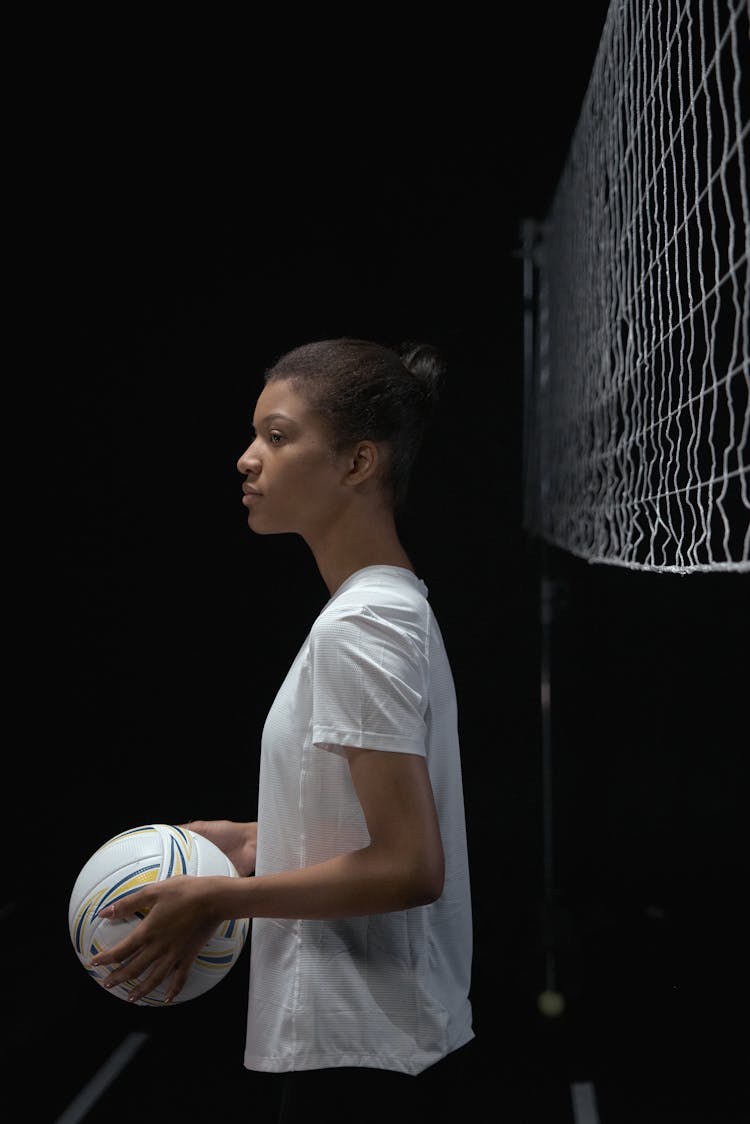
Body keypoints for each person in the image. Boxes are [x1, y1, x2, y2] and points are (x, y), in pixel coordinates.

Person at [91, 337, 475, 1120]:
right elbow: (370, 830)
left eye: (276, 435)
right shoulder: (386, 607)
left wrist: (217, 902)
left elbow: (409, 866)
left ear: (358, 463)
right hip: (371, 1043)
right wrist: (252, 839)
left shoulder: (364, 625)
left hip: (360, 1050)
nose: (245, 459)